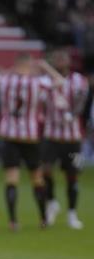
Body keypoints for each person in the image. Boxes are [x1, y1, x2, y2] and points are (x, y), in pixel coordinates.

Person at [0, 54, 62, 230]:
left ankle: (13, 221)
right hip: (30, 135)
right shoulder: (37, 82)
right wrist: (45, 67)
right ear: (29, 65)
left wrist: (12, 69)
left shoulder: (5, 80)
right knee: (37, 178)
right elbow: (60, 82)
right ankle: (43, 219)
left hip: (9, 134)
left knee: (11, 179)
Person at [40, 49, 89, 229]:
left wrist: (71, 113)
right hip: (51, 135)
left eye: (62, 58)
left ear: (68, 61)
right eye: (56, 58)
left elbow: (81, 101)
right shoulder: (46, 80)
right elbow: (41, 101)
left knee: (73, 175)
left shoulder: (78, 80)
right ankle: (52, 202)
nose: (59, 61)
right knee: (45, 169)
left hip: (73, 137)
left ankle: (72, 213)